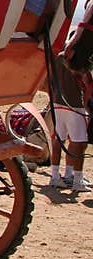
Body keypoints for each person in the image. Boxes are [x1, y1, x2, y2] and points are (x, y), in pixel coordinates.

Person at [49, 50, 92, 192]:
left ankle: (57, 175)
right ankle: (77, 179)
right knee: (78, 143)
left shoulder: (59, 57)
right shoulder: (79, 59)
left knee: (58, 139)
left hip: (58, 102)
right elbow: (87, 84)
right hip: (74, 105)